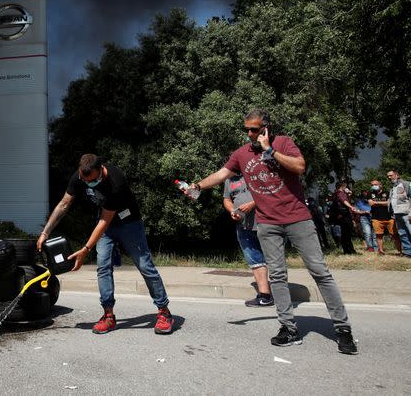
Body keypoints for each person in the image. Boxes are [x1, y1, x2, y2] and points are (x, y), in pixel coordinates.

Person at [184, 109, 357, 354]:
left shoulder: (283, 142)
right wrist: (197, 186)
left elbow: (299, 166)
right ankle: (289, 328)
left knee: (320, 271)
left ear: (266, 127)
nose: (250, 134)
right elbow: (222, 174)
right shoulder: (241, 154)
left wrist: (270, 151)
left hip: (298, 218)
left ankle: (342, 329)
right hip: (267, 222)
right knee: (277, 275)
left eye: (254, 129)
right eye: (247, 129)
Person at [37, 153, 175, 335]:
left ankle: (164, 312)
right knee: (103, 266)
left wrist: (85, 249)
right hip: (106, 224)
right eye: (84, 180)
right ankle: (108, 315)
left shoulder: (115, 182)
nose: (87, 184)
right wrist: (45, 232)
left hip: (129, 223)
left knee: (144, 265)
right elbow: (64, 204)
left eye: (92, 181)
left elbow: (104, 221)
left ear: (101, 171)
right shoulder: (81, 175)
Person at [222, 173, 273, 307]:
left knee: (274, 259)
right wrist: (232, 210)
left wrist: (253, 204)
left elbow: (270, 191)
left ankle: (281, 296)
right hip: (243, 225)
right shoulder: (229, 180)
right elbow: (227, 199)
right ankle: (265, 296)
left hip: (265, 222)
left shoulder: (256, 172)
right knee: (255, 260)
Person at [367, 177, 401, 255]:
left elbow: (389, 203)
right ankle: (381, 251)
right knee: (379, 235)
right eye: (372, 185)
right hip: (376, 218)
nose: (373, 186)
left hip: (389, 218)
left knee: (395, 235)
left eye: (375, 184)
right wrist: (382, 202)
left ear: (380, 185)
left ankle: (400, 251)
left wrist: (376, 203)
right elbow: (370, 203)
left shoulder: (387, 193)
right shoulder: (370, 193)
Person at [387, 170, 411, 258]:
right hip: (397, 214)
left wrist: (410, 213)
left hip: (406, 213)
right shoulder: (392, 187)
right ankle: (408, 252)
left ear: (397, 175)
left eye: (391, 175)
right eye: (388, 176)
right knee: (403, 233)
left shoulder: (406, 184)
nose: (389, 177)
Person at [331, 182, 357, 254]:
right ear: (342, 187)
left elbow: (345, 200)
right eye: (345, 187)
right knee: (347, 233)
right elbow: (344, 201)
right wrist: (351, 207)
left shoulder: (336, 194)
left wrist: (349, 195)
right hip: (344, 215)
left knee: (345, 233)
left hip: (341, 216)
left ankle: (349, 250)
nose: (346, 188)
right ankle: (348, 250)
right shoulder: (340, 193)